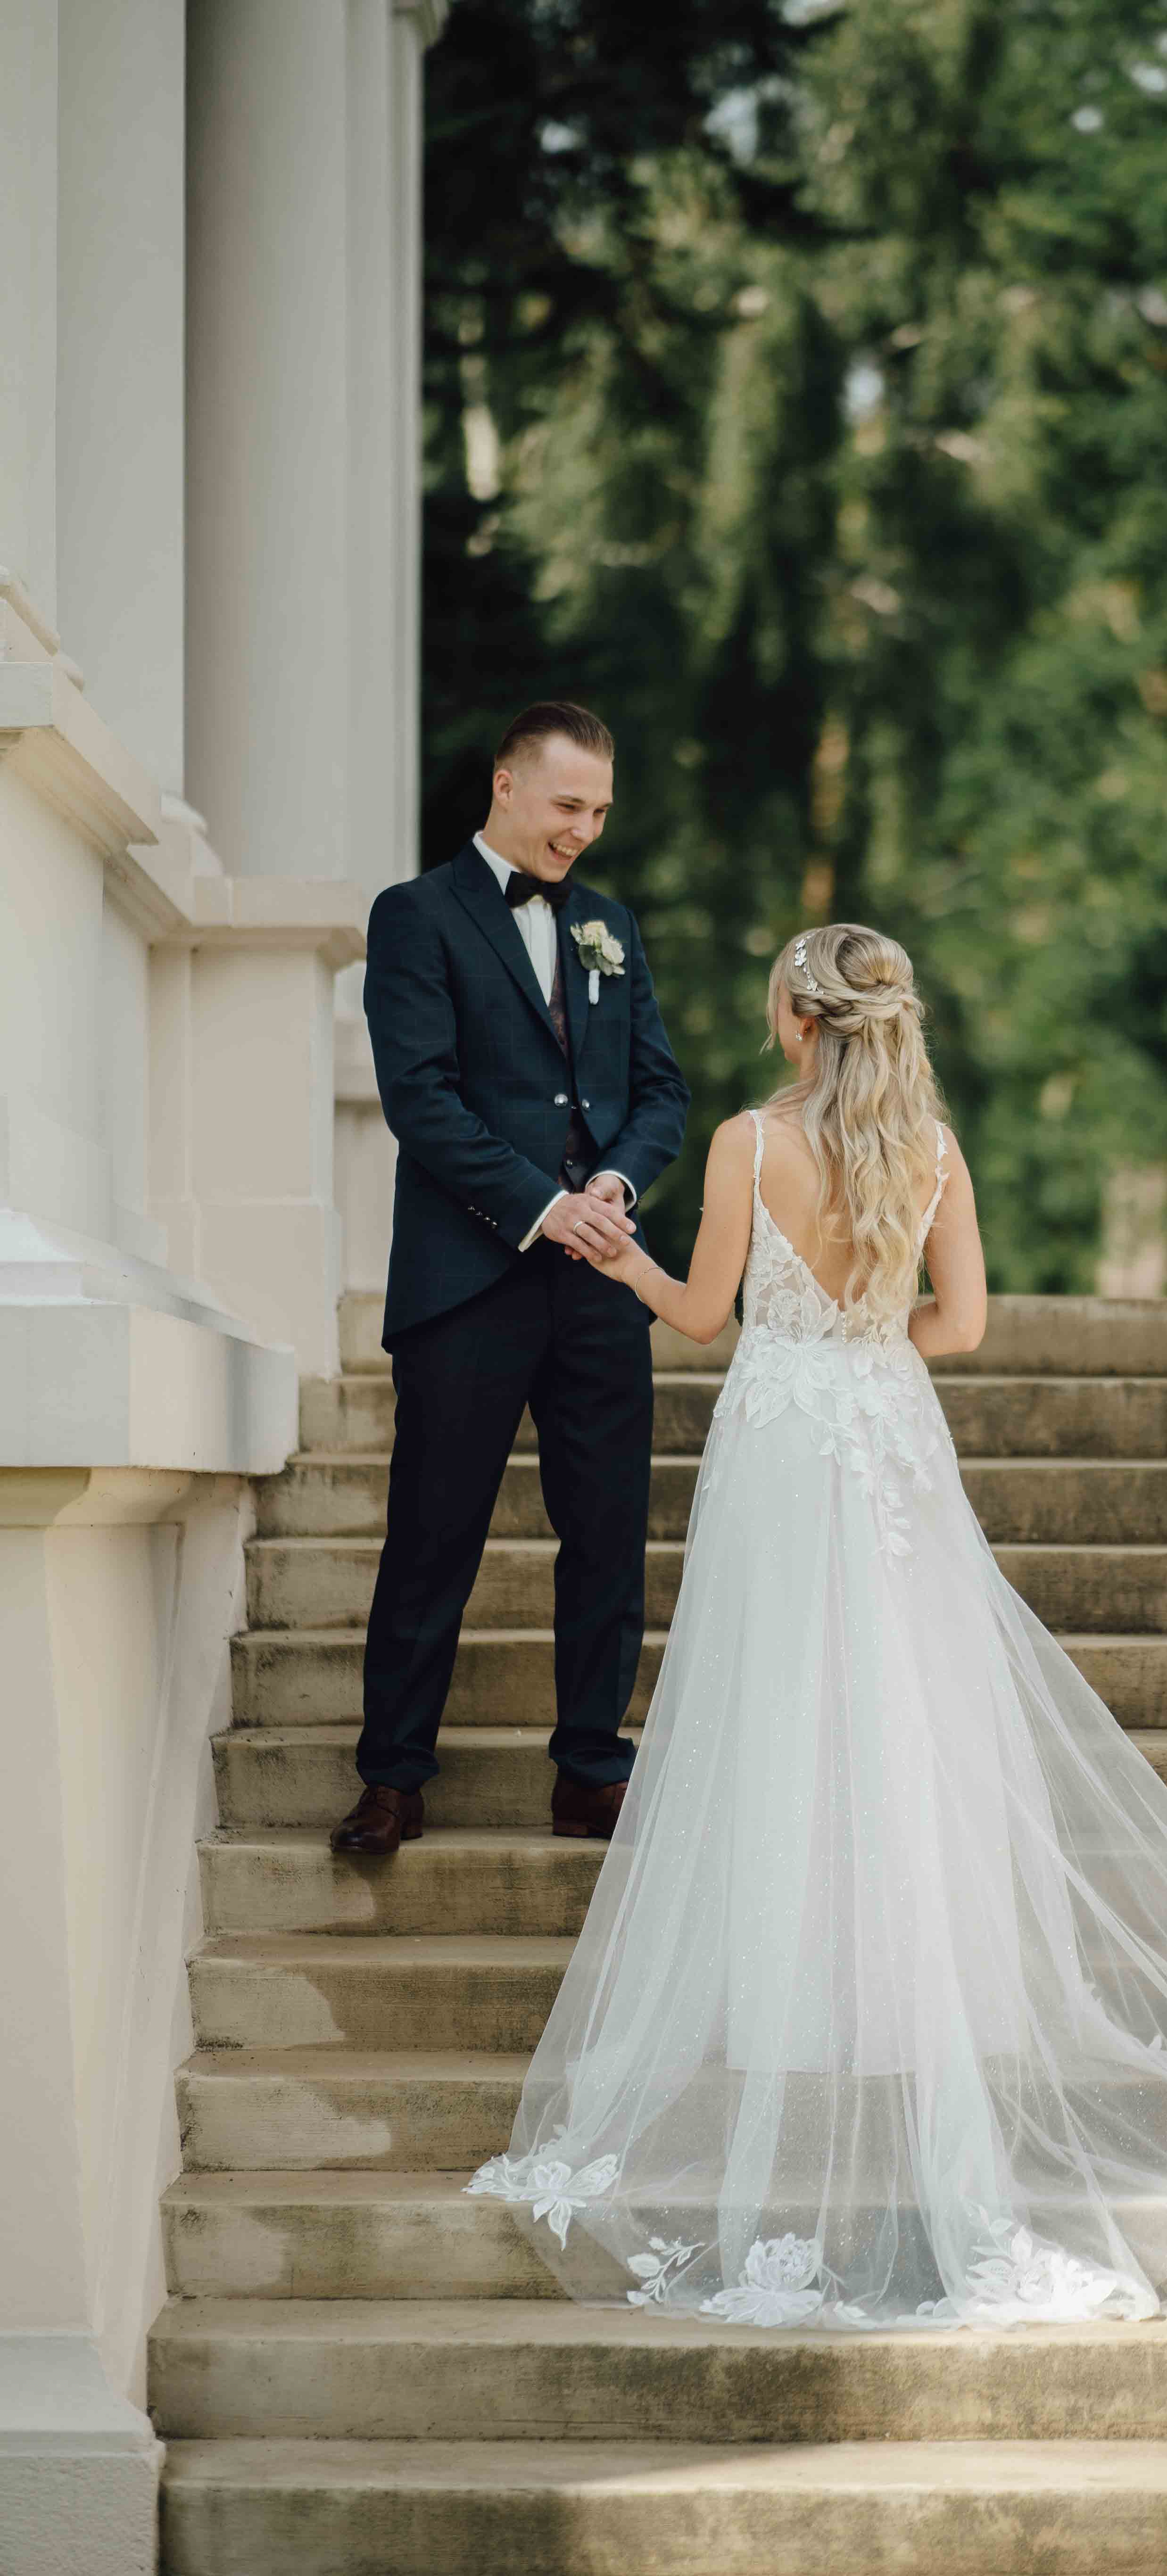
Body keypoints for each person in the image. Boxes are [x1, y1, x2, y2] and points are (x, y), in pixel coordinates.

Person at [467, 923, 1167, 2328]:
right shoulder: (928, 1146)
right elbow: (962, 1328)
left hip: (779, 1444)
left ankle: (794, 2007)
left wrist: (619, 1258)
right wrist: (866, 1330)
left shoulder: (743, 1145)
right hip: (887, 1428)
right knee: (910, 1711)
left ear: (794, 1020)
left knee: (782, 1712)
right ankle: (915, 1990)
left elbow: (701, 1319)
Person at [331, 701, 690, 1858]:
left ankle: (592, 1771)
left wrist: (615, 1196)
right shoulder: (416, 917)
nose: (583, 830)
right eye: (566, 805)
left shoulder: (609, 927)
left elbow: (660, 1095)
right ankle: (391, 1777)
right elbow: (420, 1098)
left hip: (599, 1281)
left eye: (599, 811)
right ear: (504, 787)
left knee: (606, 1534)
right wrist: (544, 1205)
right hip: (467, 1280)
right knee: (435, 1531)